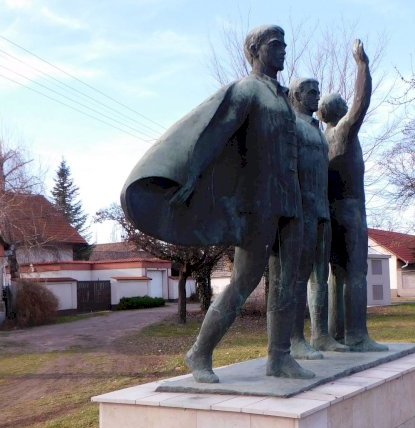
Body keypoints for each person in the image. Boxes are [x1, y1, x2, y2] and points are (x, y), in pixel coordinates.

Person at [121, 25, 314, 382]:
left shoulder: (284, 98)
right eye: (276, 44)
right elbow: (215, 134)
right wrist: (191, 175)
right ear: (255, 50)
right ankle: (200, 352)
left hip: (291, 199)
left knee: (288, 282)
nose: (284, 49)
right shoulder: (247, 90)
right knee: (244, 281)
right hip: (258, 201)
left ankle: (280, 357)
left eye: (284, 44)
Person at [318, 40, 387, 352]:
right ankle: (357, 335)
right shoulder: (343, 132)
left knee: (337, 274)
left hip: (330, 212)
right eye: (343, 105)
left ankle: (336, 334)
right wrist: (362, 66)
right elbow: (362, 101)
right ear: (338, 111)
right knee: (356, 273)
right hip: (350, 212)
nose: (349, 106)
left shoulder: (321, 140)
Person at [288, 77, 349, 358]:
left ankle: (320, 335)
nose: (317, 97)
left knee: (320, 276)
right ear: (297, 96)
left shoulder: (318, 131)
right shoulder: (291, 125)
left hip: (322, 210)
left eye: (318, 92)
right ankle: (294, 340)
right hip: (302, 211)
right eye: (311, 92)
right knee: (298, 277)